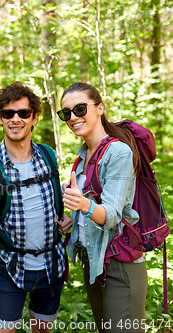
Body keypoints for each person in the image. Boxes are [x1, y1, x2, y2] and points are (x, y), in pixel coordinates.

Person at [0, 82, 72, 333]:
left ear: (35, 118)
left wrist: (66, 218)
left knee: (43, 330)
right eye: (8, 113)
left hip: (52, 264)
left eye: (23, 113)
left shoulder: (48, 155)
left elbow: (54, 203)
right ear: (0, 118)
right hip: (10, 267)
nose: (15, 119)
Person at [60, 82, 147, 333]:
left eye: (79, 109)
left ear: (100, 108)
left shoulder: (118, 152)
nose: (73, 118)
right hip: (94, 264)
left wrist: (83, 204)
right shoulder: (82, 157)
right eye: (66, 113)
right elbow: (87, 212)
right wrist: (73, 221)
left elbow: (111, 216)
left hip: (121, 265)